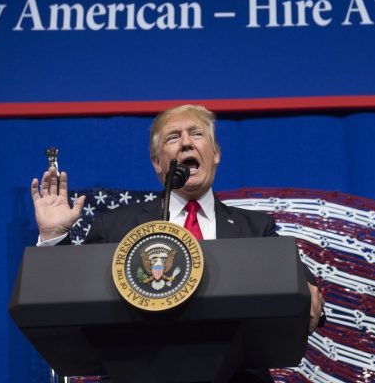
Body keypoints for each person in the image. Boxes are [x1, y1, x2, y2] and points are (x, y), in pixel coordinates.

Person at [30, 104, 325, 381]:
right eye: (173, 137)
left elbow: (291, 277)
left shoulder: (256, 227)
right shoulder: (115, 226)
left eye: (196, 133)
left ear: (216, 154)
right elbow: (74, 296)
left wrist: (305, 286)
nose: (186, 143)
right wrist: (55, 237)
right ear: (158, 163)